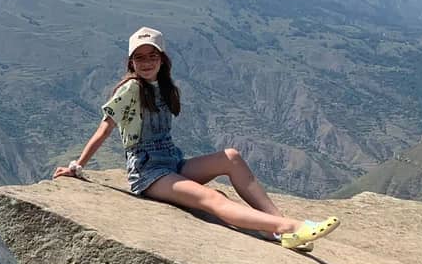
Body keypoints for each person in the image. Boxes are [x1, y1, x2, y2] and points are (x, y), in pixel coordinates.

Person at [53, 27, 339, 251]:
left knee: (231, 157)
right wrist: (77, 167)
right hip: (149, 172)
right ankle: (292, 227)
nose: (147, 62)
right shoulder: (130, 89)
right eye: (140, 57)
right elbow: (104, 129)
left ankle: (278, 228)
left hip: (172, 162)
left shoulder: (163, 86)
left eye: (152, 56)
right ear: (131, 62)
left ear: (162, 59)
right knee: (212, 198)